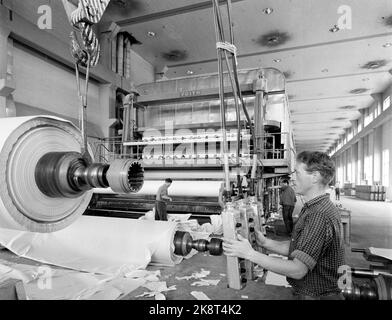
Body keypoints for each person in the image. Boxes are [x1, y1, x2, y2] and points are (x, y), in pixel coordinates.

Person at [223, 151, 345, 299]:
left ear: (315, 177)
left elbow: (298, 270)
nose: (292, 178)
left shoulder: (318, 215)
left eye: (297, 173)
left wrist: (249, 254)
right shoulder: (316, 208)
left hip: (317, 295)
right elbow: (300, 248)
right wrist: (265, 242)